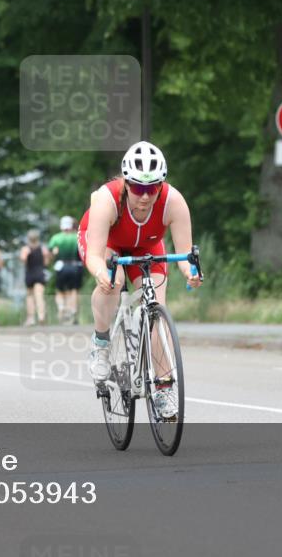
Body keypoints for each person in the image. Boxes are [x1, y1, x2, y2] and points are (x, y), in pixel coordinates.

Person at [78, 141, 202, 419]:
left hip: (147, 245)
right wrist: (101, 273)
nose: (145, 196)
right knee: (114, 280)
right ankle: (101, 344)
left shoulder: (174, 202)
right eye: (137, 188)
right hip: (107, 243)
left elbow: (184, 254)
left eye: (152, 188)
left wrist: (190, 273)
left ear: (161, 185)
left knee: (158, 308)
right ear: (126, 183)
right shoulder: (107, 200)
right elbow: (95, 256)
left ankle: (163, 388)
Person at [49, 215, 83, 324]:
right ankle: (73, 310)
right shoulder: (77, 237)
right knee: (74, 290)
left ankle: (61, 307)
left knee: (60, 290)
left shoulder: (56, 238)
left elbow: (52, 253)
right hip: (76, 266)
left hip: (61, 267)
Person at [20, 229, 50, 326]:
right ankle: (41, 316)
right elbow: (46, 262)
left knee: (30, 296)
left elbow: (23, 260)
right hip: (40, 273)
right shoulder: (43, 248)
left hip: (30, 273)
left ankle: (31, 318)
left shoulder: (26, 249)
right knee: (39, 295)